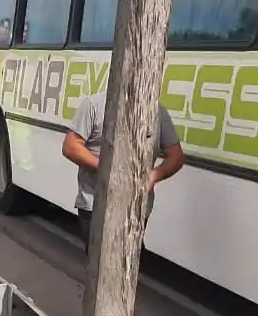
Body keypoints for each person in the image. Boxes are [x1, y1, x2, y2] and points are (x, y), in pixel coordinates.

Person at [61, 92, 185, 255]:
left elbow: (176, 156)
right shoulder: (94, 105)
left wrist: (155, 175)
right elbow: (70, 146)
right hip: (97, 205)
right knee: (101, 265)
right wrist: (108, 169)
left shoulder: (157, 111)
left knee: (129, 263)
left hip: (137, 208)